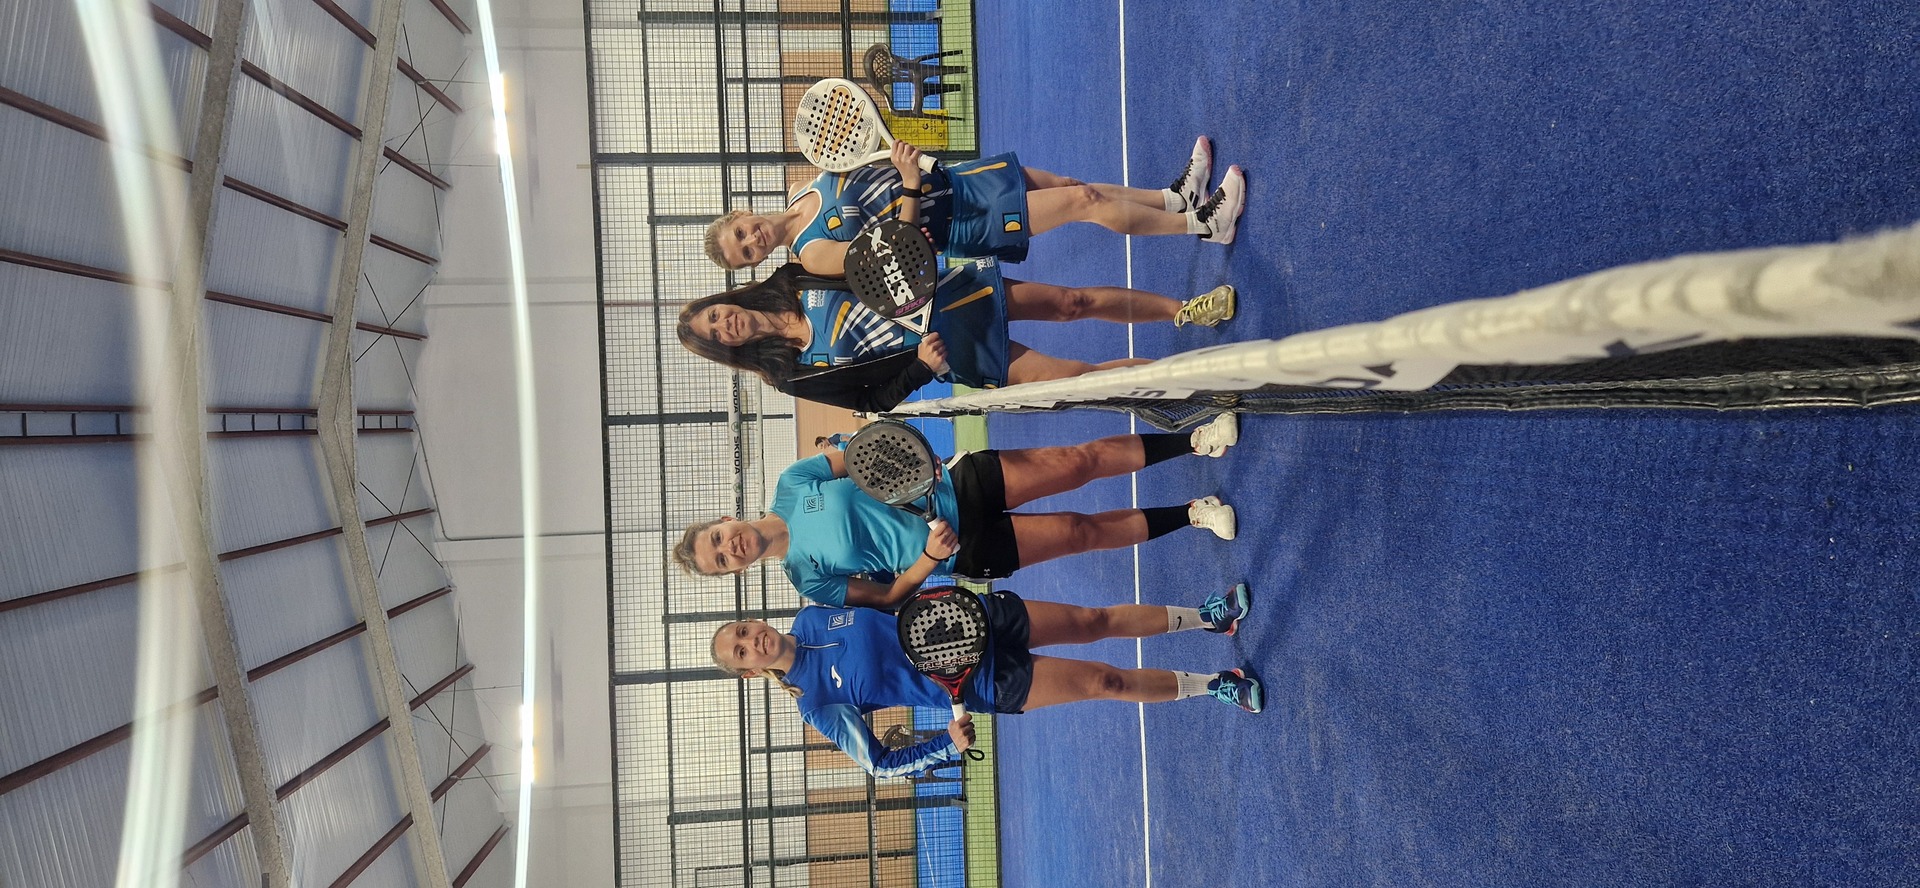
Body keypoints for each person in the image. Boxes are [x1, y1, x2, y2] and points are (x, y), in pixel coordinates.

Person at [672, 419, 1241, 608]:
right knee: (1078, 532)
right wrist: (928, 556)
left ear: (725, 518)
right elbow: (889, 596)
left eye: (718, 539)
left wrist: (924, 469)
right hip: (959, 550)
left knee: (1077, 461)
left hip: (953, 483)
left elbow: (868, 452)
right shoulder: (805, 579)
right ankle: (1194, 513)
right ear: (734, 572)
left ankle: (1195, 440)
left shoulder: (793, 482)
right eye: (721, 561)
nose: (729, 548)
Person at [709, 585, 1264, 777]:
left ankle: (1207, 616)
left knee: (1093, 620)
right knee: (1104, 682)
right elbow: (879, 765)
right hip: (981, 683)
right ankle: (1216, 684)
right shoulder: (816, 704)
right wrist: (943, 746)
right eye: (741, 651)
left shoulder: (813, 614)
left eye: (743, 630)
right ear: (750, 671)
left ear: (752, 620)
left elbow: (890, 593)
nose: (751, 640)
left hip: (971, 619)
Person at [676, 259, 1237, 413]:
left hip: (951, 296)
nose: (725, 324)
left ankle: (1187, 311)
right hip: (952, 353)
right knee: (1081, 380)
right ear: (726, 349)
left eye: (715, 314)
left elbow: (868, 256)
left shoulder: (793, 277)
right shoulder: (790, 375)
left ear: (725, 301)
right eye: (716, 334)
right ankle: (1198, 379)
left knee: (1073, 303)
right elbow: (871, 400)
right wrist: (922, 369)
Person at [705, 138, 1247, 276]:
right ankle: (1202, 225)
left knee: (1072, 184)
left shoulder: (802, 188)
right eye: (746, 253)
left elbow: (870, 168)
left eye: (741, 233)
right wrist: (910, 185)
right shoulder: (811, 253)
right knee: (1083, 203)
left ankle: (1174, 198)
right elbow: (894, 256)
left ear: (741, 214)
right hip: (960, 223)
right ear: (757, 262)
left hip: (955, 183)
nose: (754, 241)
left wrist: (907, 164)